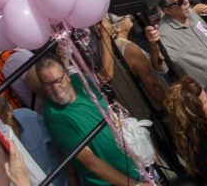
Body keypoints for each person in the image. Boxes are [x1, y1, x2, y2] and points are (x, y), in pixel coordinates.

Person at [39, 53, 152, 186]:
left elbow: (114, 112)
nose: (55, 88)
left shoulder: (82, 81)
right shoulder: (54, 117)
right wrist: (134, 185)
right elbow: (90, 162)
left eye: (58, 80)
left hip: (139, 169)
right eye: (48, 84)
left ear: (67, 76)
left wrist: (144, 148)